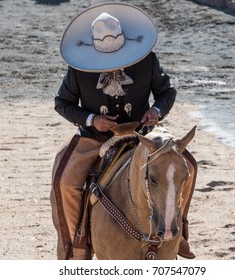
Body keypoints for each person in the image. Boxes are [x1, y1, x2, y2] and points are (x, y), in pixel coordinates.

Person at [51, 2, 196, 260]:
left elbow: (167, 92)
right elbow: (62, 103)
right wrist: (91, 119)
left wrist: (156, 112)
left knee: (189, 165)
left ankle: (179, 232)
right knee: (65, 182)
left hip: (144, 134)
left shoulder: (147, 61)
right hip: (96, 137)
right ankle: (76, 245)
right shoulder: (78, 69)